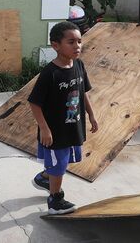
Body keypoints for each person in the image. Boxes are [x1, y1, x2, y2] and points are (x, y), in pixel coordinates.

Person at [28, 21, 98, 215]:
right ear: (56, 45)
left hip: (73, 126)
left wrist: (91, 115)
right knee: (59, 165)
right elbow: (34, 102)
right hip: (55, 132)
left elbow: (83, 92)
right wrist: (44, 128)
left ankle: (44, 178)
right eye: (71, 42)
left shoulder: (79, 65)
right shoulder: (50, 73)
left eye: (79, 41)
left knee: (64, 161)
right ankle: (55, 200)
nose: (77, 46)